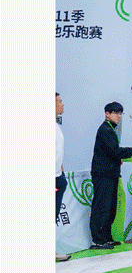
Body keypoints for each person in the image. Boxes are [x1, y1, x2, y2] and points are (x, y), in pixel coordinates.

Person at [89, 102, 132, 249]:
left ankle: (106, 238)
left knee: (110, 207)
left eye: (121, 113)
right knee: (102, 207)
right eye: (116, 113)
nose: (119, 116)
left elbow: (110, 152)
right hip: (103, 174)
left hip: (110, 173)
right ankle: (98, 240)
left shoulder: (110, 129)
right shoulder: (106, 130)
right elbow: (115, 151)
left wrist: (117, 159)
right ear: (107, 114)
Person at [55, 93, 71, 261]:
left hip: (58, 176)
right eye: (60, 101)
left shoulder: (55, 126)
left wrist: (60, 168)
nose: (62, 104)